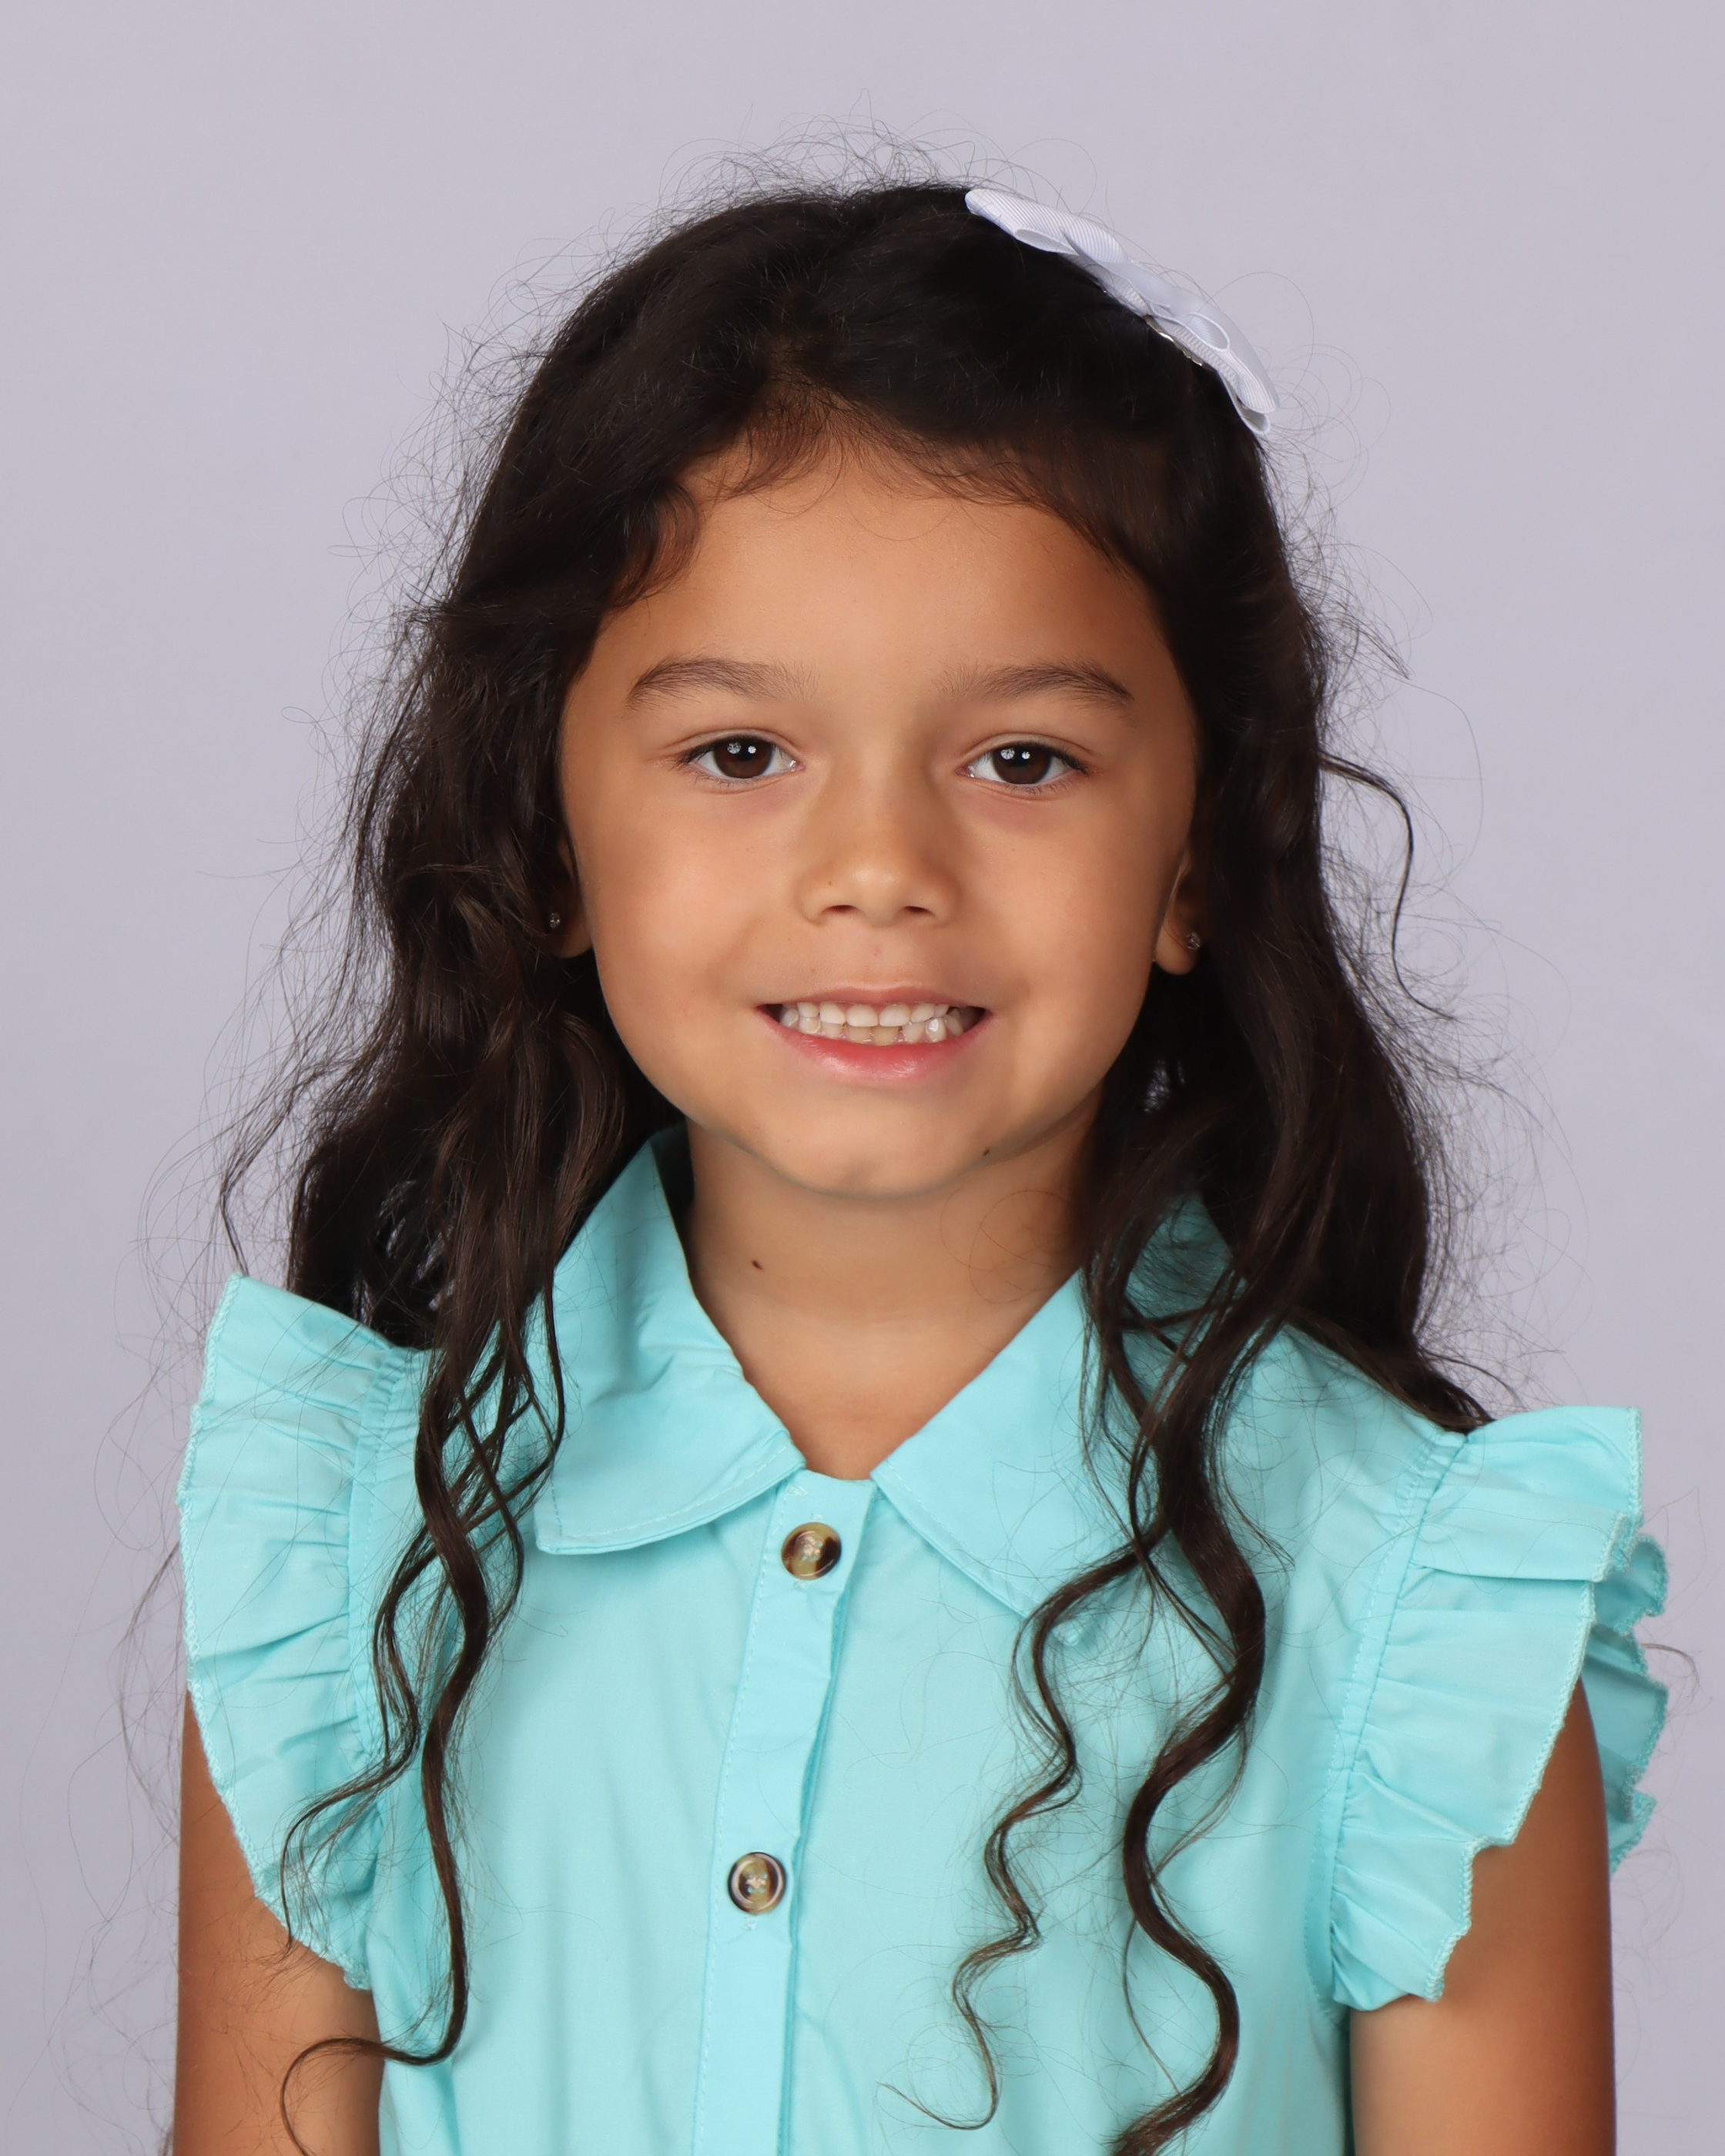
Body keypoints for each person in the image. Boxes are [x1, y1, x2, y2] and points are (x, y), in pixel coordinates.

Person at [172, 176, 1666, 2156]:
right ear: (543, 836)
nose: (878, 867)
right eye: (740, 753)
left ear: (1199, 855)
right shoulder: (348, 1559)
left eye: (1019, 759)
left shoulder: (1419, 1622)